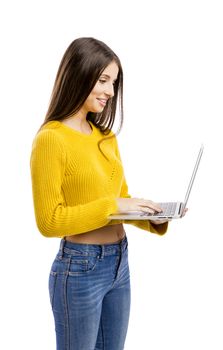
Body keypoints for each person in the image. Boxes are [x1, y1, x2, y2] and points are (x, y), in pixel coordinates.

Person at [30, 37, 169, 350]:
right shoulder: (51, 139)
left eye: (114, 82)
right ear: (79, 75)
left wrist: (154, 216)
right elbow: (49, 222)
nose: (110, 91)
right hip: (80, 269)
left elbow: (120, 200)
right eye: (103, 79)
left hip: (120, 264)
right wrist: (112, 204)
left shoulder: (105, 137)